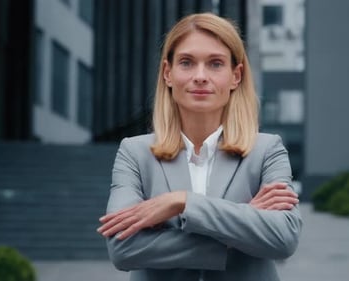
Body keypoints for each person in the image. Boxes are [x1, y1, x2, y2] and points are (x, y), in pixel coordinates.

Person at [97, 12, 302, 281]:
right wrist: (242, 228)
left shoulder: (267, 150)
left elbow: (283, 238)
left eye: (216, 64)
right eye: (186, 62)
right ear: (168, 74)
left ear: (235, 76)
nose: (200, 76)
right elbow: (123, 250)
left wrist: (182, 203)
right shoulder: (134, 153)